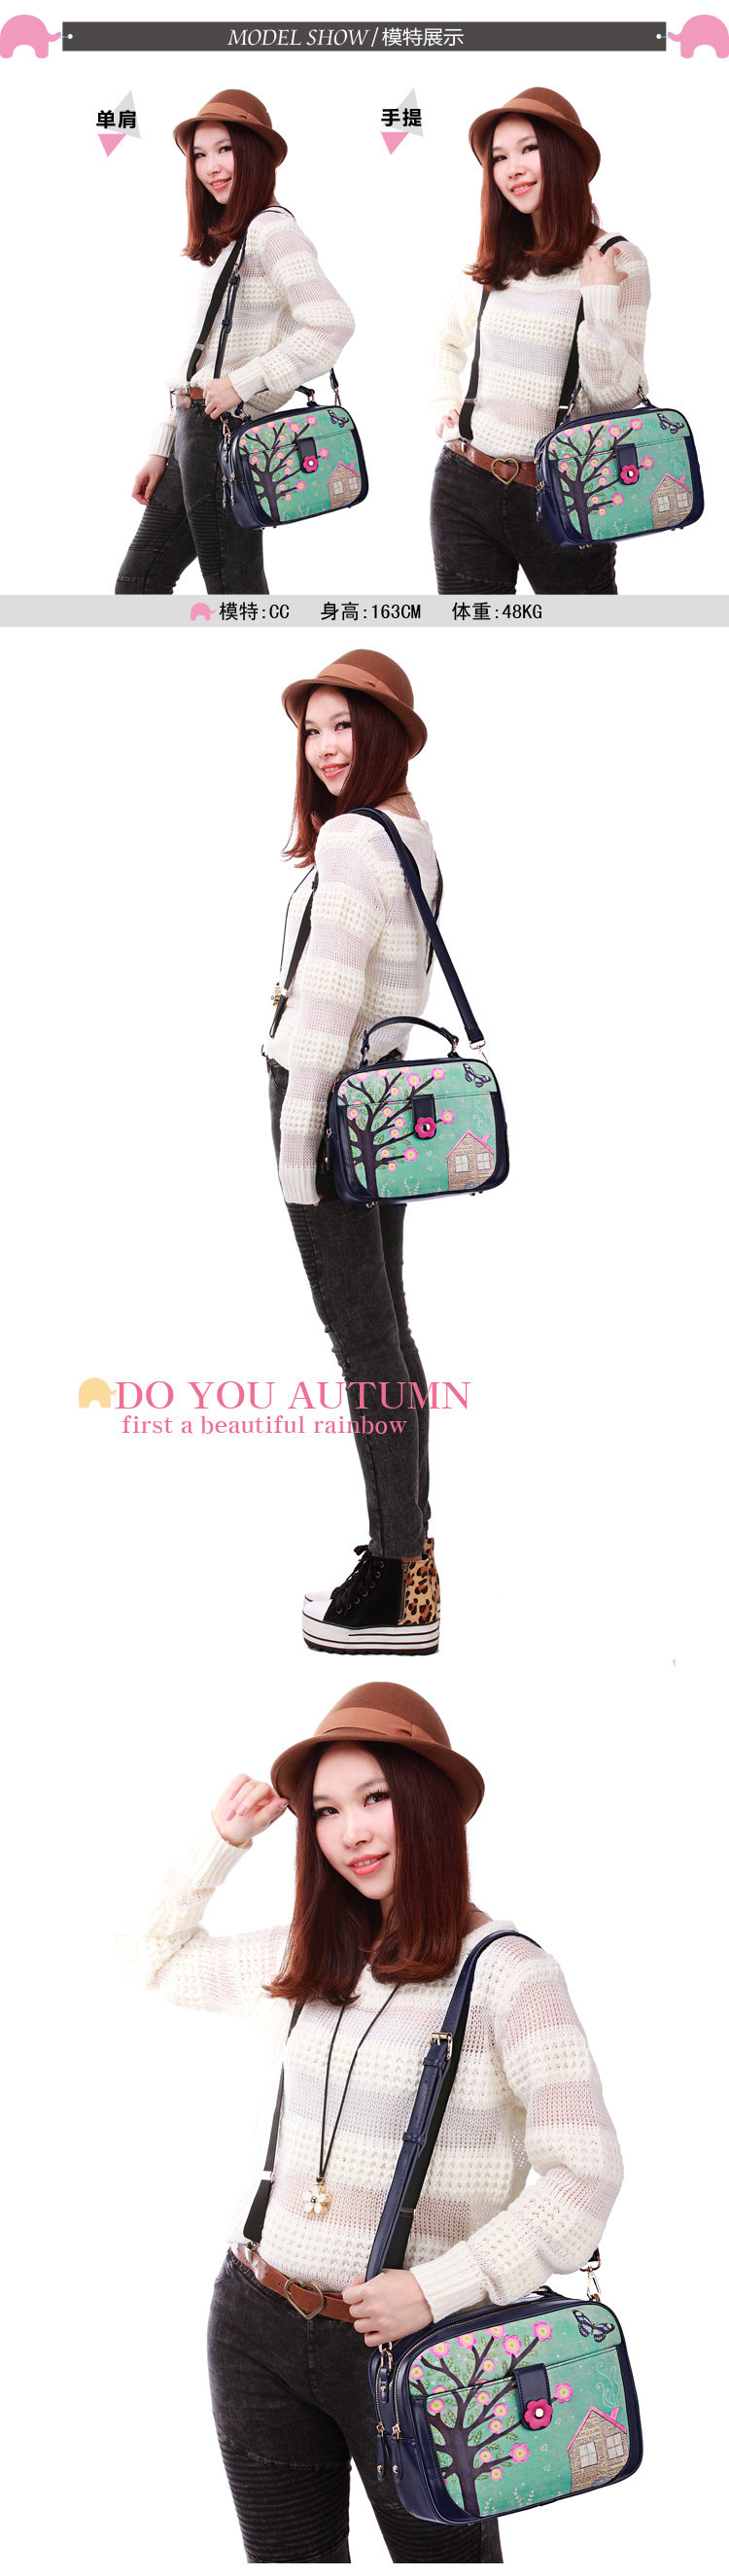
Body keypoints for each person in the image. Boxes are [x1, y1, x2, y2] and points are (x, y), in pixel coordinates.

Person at [119, 1680, 624, 2564]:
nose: (350, 1831)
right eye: (326, 1810)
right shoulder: (308, 1956)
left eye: (375, 1798)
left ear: (430, 1804)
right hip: (257, 2322)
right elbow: (149, 1957)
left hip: (422, 2347)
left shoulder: (510, 1977)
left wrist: (439, 2287)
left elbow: (587, 2174)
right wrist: (220, 1842)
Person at [266, 648, 444, 1655]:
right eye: (313, 729)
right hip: (385, 1105)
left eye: (345, 726)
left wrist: (298, 1156)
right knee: (389, 1337)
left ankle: (392, 1577)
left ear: (384, 735)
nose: (327, 748)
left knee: (364, 1342)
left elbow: (327, 1009)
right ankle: (410, 1559)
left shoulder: (350, 842)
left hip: (328, 1105)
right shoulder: (414, 836)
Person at [115, 88, 355, 596]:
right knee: (139, 584)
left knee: (233, 592)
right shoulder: (234, 240)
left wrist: (244, 383)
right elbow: (200, 357)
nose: (211, 167)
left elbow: (332, 322)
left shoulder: (271, 232)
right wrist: (164, 445)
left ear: (254, 154)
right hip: (196, 432)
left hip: (223, 432)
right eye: (200, 155)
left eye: (224, 149)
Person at [429, 87, 650, 596]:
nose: (513, 168)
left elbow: (617, 401)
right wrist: (442, 403)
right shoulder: (495, 261)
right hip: (465, 485)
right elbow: (445, 343)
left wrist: (598, 301)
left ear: (563, 156)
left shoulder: (619, 261)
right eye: (499, 157)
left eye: (528, 148)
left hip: (569, 492)